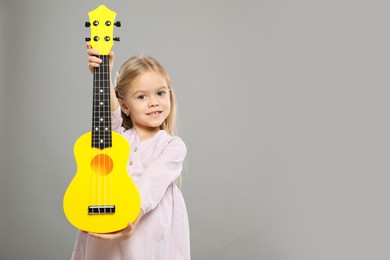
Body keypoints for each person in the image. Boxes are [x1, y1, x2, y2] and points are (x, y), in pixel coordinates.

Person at [71, 43, 190, 260]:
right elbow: (110, 113)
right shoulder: (117, 138)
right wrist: (102, 72)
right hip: (109, 216)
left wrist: (130, 220)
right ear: (125, 106)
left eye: (160, 93)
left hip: (145, 225)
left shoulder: (172, 146)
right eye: (142, 97)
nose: (154, 102)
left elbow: (150, 184)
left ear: (170, 95)